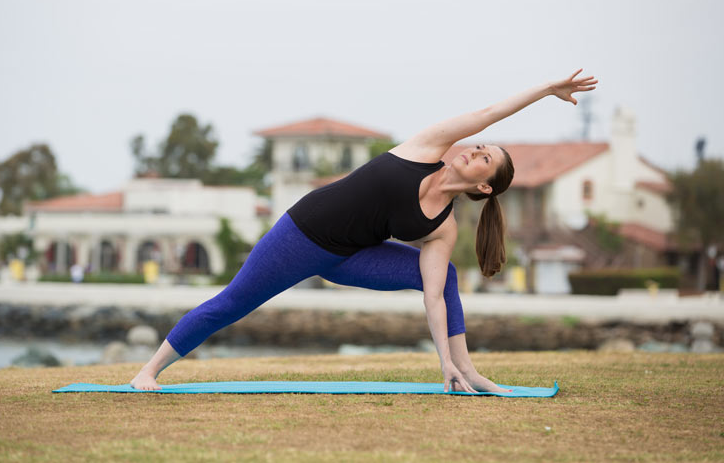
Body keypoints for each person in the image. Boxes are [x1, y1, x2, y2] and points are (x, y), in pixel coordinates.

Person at [130, 69, 597, 392]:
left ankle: (467, 371)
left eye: (485, 159)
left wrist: (445, 364)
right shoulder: (426, 147)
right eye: (479, 147)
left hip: (351, 257)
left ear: (481, 184)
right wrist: (546, 89)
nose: (474, 150)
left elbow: (433, 298)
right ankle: (148, 372)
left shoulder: (442, 228)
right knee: (232, 303)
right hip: (302, 235)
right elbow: (491, 111)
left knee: (444, 278)